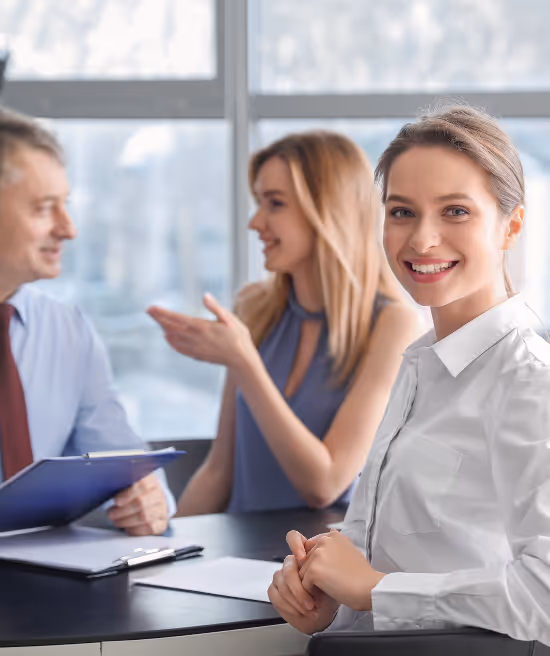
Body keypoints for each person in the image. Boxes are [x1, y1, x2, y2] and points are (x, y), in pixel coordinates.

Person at [268, 105, 550, 646]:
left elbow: (544, 594)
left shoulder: (528, 383)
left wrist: (374, 592)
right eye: (401, 212)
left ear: (510, 226)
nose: (422, 239)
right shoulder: (421, 366)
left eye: (456, 212)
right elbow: (382, 552)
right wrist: (324, 592)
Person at [148, 131, 419, 515]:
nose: (255, 222)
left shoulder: (394, 325)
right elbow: (219, 471)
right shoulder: (253, 308)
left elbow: (325, 484)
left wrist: (245, 362)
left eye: (275, 204)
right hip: (233, 563)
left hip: (319, 565)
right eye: (258, 202)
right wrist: (167, 555)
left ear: (327, 210)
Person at [0, 108, 175, 536]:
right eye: (45, 209)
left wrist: (152, 501)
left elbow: (125, 459)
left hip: (40, 586)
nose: (69, 229)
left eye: (66, 205)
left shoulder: (67, 330)